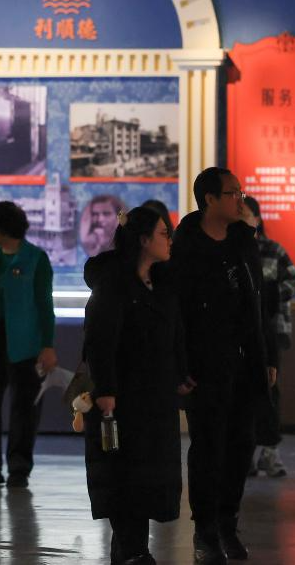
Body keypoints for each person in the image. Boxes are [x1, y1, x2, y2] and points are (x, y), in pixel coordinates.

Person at [171, 168, 278, 564]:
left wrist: (268, 357)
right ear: (210, 199)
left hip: (245, 362)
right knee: (208, 447)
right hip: (204, 365)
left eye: (240, 192)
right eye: (232, 193)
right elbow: (177, 313)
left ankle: (227, 523)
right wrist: (181, 365)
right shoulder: (185, 246)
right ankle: (205, 531)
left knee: (240, 445)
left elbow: (258, 303)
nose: (240, 199)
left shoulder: (243, 242)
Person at [83, 207, 190, 565]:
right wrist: (106, 391)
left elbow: (174, 334)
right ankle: (133, 551)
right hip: (124, 399)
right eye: (163, 233)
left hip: (155, 398)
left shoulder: (161, 284)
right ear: (144, 240)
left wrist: (181, 373)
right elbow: (100, 341)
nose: (169, 241)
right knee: (124, 474)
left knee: (148, 475)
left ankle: (132, 551)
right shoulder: (115, 283)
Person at [0, 200, 57, 489]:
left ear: (5, 227)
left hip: (25, 345)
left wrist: (47, 345)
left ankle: (19, 468)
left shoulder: (35, 258)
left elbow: (45, 305)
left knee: (24, 408)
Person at [242, 196, 295, 478]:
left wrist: (272, 296)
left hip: (272, 330)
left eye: (246, 215)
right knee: (245, 393)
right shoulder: (231, 250)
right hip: (242, 333)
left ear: (257, 219)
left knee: (269, 390)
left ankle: (269, 451)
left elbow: (294, 279)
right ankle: (247, 452)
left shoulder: (273, 250)